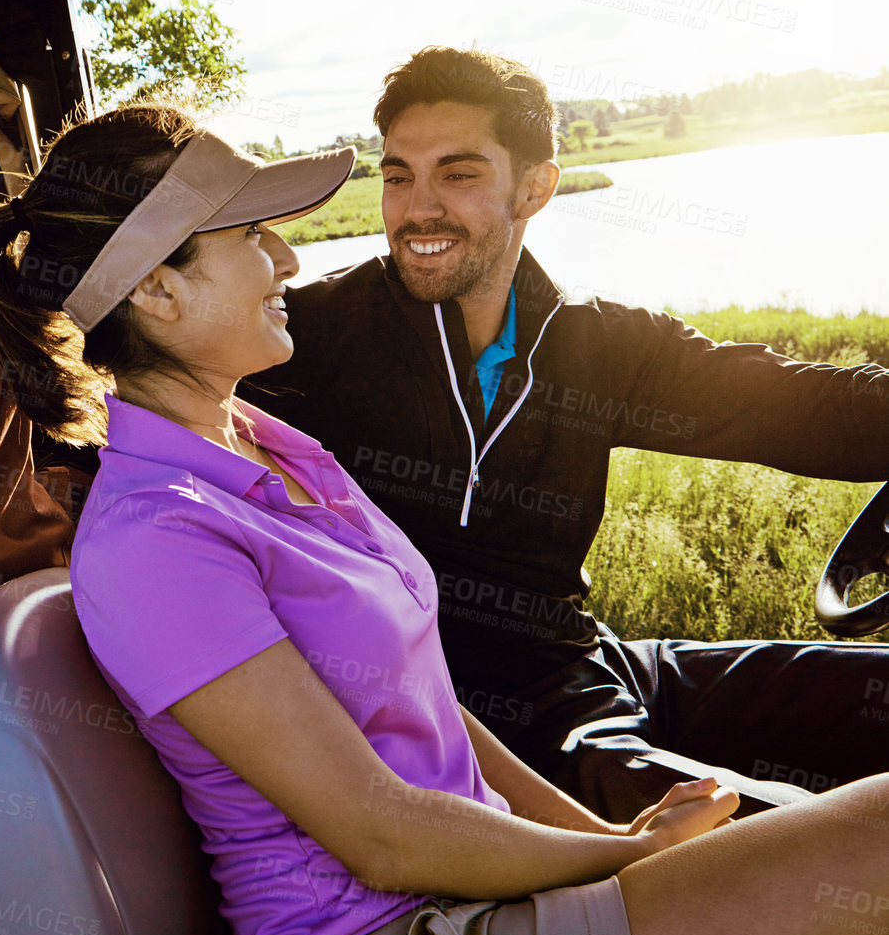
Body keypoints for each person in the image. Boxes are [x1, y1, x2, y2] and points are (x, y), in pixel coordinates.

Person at [0, 102, 889, 935]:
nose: (288, 259)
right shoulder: (155, 535)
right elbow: (380, 834)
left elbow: (435, 705)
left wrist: (612, 855)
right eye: (251, 235)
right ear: (154, 291)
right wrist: (621, 856)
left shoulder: (274, 445)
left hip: (473, 884)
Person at [244, 47, 889, 822]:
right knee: (785, 836)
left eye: (457, 174)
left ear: (535, 188)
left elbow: (807, 408)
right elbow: (141, 401)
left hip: (586, 658)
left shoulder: (598, 341)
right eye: (396, 176)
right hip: (477, 720)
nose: (415, 209)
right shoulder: (300, 338)